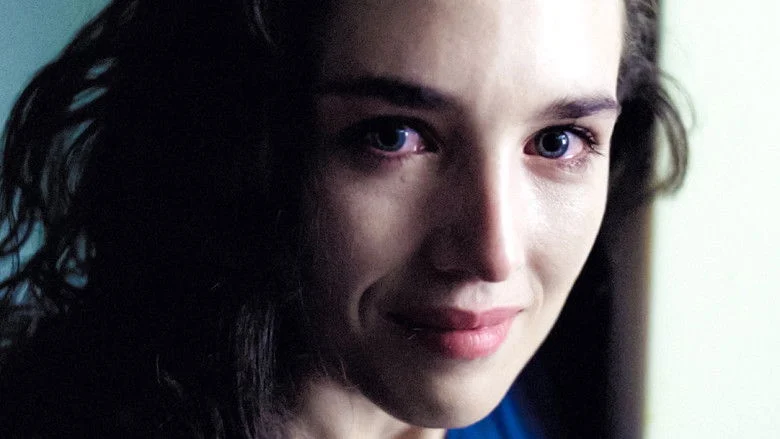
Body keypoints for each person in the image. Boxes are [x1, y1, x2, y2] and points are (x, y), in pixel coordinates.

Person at [0, 0, 687, 437]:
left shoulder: (533, 399)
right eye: (394, 136)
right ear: (242, 133)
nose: (494, 253)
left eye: (559, 141)